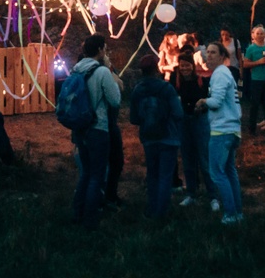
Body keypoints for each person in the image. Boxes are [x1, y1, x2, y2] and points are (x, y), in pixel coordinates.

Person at [69, 34, 122, 230]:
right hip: (98, 127)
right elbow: (115, 100)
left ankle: (77, 211)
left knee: (86, 173)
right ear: (100, 49)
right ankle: (90, 220)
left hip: (80, 127)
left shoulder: (75, 69)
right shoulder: (101, 72)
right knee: (97, 175)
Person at [128, 54, 184, 219]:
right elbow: (178, 113)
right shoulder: (166, 88)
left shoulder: (137, 90)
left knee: (152, 174)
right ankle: (162, 211)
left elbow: (133, 118)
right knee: (166, 175)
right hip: (168, 136)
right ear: (157, 68)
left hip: (148, 137)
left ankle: (152, 209)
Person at [195, 41, 243, 224]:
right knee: (230, 171)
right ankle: (238, 212)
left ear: (223, 56)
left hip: (221, 131)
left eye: (213, 52)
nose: (209, 55)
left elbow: (216, 102)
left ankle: (230, 214)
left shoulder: (221, 74)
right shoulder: (224, 73)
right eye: (207, 52)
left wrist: (202, 101)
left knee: (217, 172)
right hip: (232, 129)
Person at [172, 53, 216, 210]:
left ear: (192, 65)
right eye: (182, 65)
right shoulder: (174, 81)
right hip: (184, 121)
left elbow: (209, 100)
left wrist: (202, 106)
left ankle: (213, 195)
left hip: (199, 120)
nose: (184, 68)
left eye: (187, 65)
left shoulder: (202, 81)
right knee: (187, 158)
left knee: (204, 158)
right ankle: (191, 193)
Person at [242, 25, 265, 136]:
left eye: (261, 33)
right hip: (256, 80)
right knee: (254, 105)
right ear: (254, 35)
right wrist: (258, 62)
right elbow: (246, 64)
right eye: (257, 33)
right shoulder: (251, 49)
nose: (260, 35)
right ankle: (251, 128)